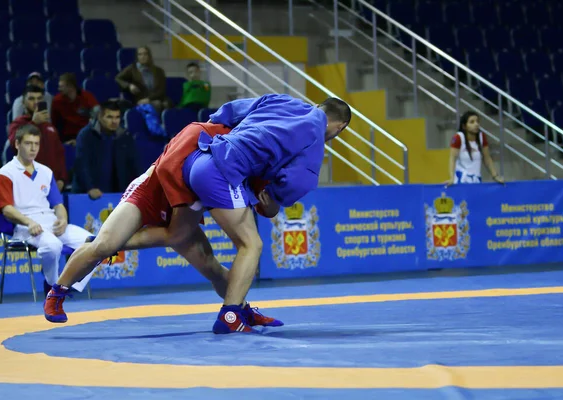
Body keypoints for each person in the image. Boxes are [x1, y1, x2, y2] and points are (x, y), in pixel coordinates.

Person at [43, 121, 282, 327]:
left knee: (212, 268)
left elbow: (266, 206)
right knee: (104, 245)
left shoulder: (245, 159)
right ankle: (57, 291)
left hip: (185, 201)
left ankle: (240, 309)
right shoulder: (209, 135)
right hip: (150, 192)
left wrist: (271, 204)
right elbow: (169, 168)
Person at [179, 94, 351, 334]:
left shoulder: (281, 101)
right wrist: (276, 198)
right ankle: (230, 315)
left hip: (197, 157)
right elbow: (299, 182)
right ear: (340, 126)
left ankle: (240, 307)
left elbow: (228, 111)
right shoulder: (315, 134)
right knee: (252, 244)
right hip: (221, 171)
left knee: (173, 234)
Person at [0, 125, 94, 297]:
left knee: (93, 242)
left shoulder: (45, 172)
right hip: (25, 226)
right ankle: (53, 285)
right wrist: (29, 222)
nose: (33, 148)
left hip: (50, 221)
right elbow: (7, 210)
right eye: (28, 143)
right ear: (17, 144)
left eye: (36, 144)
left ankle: (69, 284)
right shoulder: (6, 173)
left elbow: (58, 205)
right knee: (53, 246)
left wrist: (62, 219)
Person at [73, 100, 141, 199]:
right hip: (89, 195)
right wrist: (90, 187)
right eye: (109, 117)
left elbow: (135, 164)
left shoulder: (125, 136)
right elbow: (82, 164)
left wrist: (139, 188)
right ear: (100, 117)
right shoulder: (86, 135)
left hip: (117, 194)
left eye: (117, 117)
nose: (114, 121)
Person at [8, 85, 67, 191]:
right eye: (31, 99)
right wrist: (34, 123)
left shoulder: (50, 127)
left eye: (39, 99)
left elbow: (59, 154)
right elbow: (15, 144)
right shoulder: (17, 124)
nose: (36, 102)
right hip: (27, 184)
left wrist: (62, 179)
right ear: (23, 102)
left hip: (51, 185)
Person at [446, 111, 505, 186]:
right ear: (464, 126)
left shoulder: (481, 137)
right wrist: (452, 178)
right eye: (472, 122)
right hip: (461, 179)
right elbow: (452, 159)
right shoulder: (458, 138)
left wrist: (495, 176)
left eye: (477, 121)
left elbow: (487, 158)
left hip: (476, 180)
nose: (476, 124)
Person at [51, 73, 99, 145]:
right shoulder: (57, 100)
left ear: (70, 86)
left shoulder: (86, 96)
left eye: (61, 87)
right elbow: (54, 122)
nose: (59, 89)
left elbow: (97, 111)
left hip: (86, 133)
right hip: (67, 136)